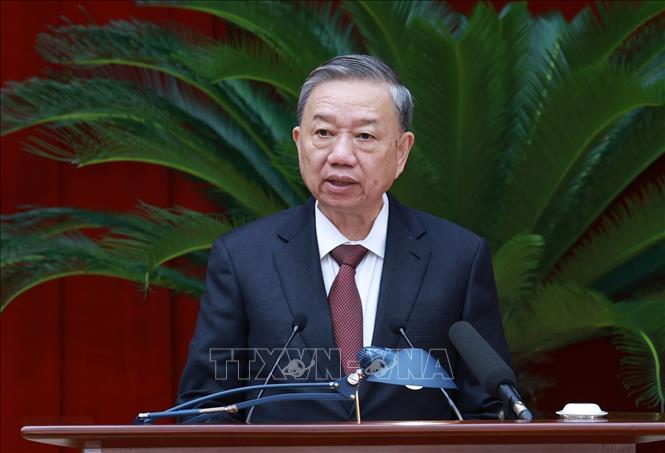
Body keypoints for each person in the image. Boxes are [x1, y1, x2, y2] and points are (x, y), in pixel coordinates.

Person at [177, 54, 510, 423]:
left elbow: (487, 410)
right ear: (299, 142)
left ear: (401, 152)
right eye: (323, 133)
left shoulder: (458, 258)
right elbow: (203, 408)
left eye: (365, 136)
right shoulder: (243, 258)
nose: (340, 155)